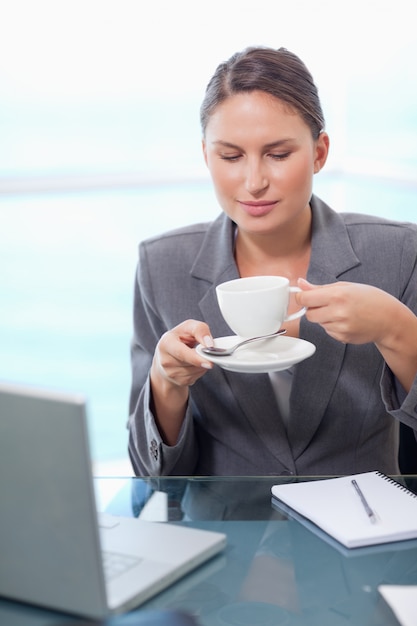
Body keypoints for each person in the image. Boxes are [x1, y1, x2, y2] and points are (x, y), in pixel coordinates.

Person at [128, 46, 417, 477]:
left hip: (363, 525)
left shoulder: (395, 252)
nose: (254, 182)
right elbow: (153, 475)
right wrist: (166, 383)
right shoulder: (161, 265)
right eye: (230, 156)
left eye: (278, 154)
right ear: (206, 155)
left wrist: (397, 330)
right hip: (227, 533)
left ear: (319, 153)